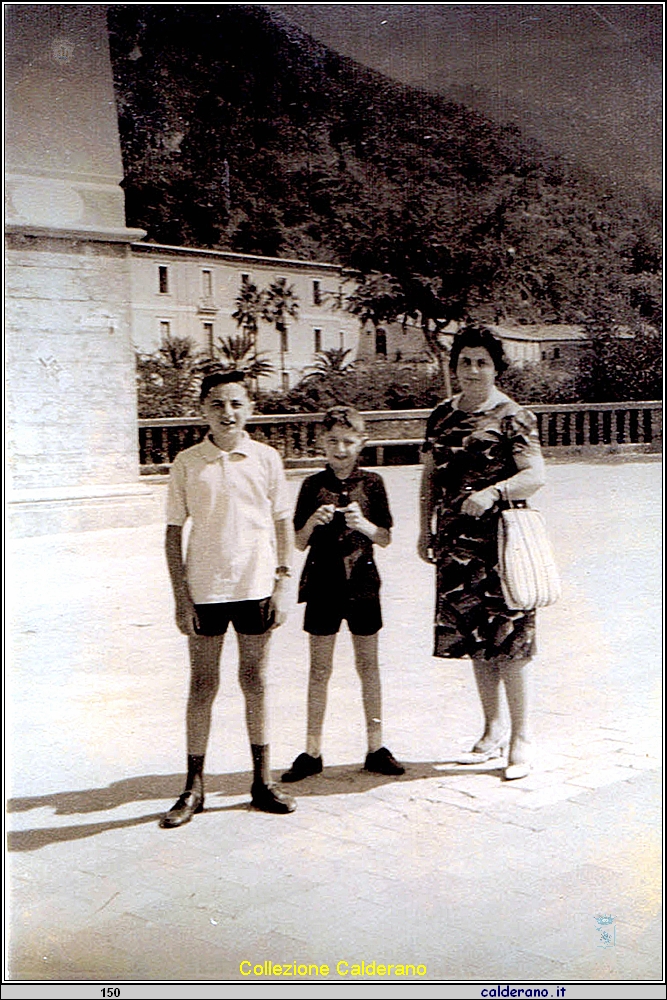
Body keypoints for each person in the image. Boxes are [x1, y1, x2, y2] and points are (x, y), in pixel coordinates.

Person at [160, 370, 296, 827]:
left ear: (250, 409)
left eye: (236, 403)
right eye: (217, 404)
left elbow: (281, 523)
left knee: (254, 681)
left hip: (255, 586)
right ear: (203, 409)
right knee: (202, 686)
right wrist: (182, 598)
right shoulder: (187, 462)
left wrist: (280, 582)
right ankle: (192, 787)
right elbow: (173, 533)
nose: (227, 413)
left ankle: (262, 781)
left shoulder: (267, 458)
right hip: (205, 590)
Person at [417, 326, 546, 780]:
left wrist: (494, 492)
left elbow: (535, 475)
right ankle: (491, 731)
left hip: (501, 544)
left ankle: (521, 738)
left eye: (482, 362)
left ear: (496, 367)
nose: (472, 370)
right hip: (454, 542)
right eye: (465, 361)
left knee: (510, 641)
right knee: (474, 639)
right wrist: (424, 530)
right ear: (454, 366)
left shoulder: (514, 416)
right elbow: (430, 477)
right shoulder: (440, 417)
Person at [281, 405, 404, 782]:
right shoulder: (310, 485)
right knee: (320, 670)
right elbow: (297, 543)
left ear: (362, 442)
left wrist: (364, 526)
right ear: (321, 442)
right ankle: (312, 750)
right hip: (322, 586)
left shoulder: (373, 483)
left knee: (369, 667)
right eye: (333, 440)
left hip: (363, 587)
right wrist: (311, 524)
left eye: (349, 441)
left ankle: (376, 747)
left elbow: (384, 537)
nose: (341, 448)